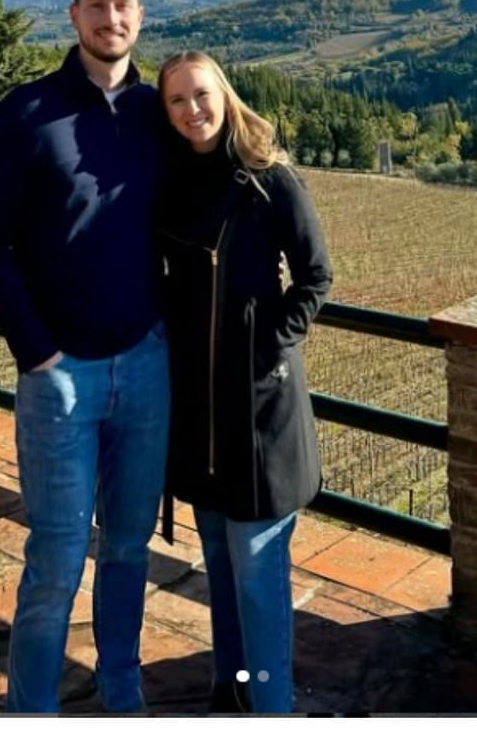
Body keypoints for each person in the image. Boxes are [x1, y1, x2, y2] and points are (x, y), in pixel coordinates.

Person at [0, 0, 172, 714]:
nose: (110, 19)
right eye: (96, 5)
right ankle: (33, 711)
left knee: (126, 548)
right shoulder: (25, 113)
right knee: (54, 560)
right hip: (60, 376)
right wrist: (37, 352)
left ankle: (122, 687)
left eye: (123, 6)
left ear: (139, 17)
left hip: (147, 364)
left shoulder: (158, 113)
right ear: (73, 16)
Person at [153, 51, 331, 715]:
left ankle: (272, 710)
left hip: (259, 413)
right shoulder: (171, 185)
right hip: (196, 411)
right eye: (177, 101)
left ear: (223, 95)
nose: (192, 110)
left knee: (257, 575)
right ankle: (231, 692)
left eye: (201, 95)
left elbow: (316, 278)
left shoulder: (270, 180)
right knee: (221, 571)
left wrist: (269, 349)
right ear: (165, 114)